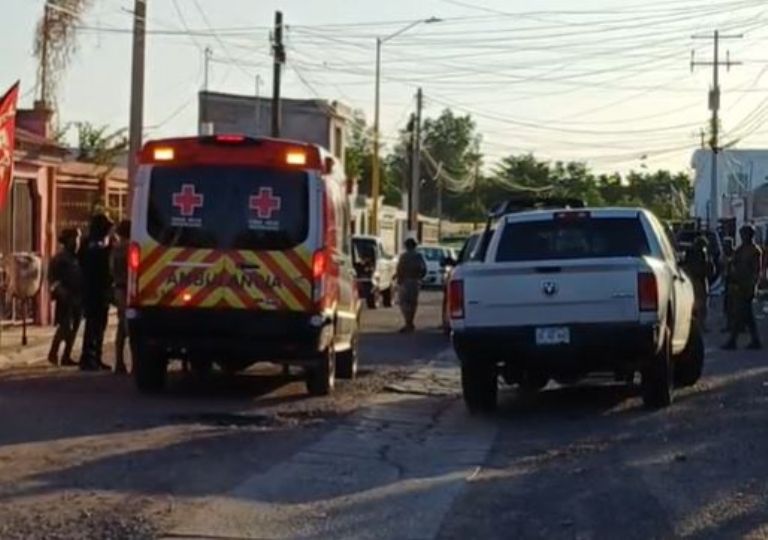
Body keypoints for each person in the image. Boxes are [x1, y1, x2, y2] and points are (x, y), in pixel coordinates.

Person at [79, 213, 115, 371]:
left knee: (100, 326)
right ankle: (88, 358)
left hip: (100, 291)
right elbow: (99, 266)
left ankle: (96, 357)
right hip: (94, 291)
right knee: (93, 326)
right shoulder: (92, 246)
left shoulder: (95, 244)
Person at [723, 225, 763, 350]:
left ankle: (733, 341)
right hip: (738, 284)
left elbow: (756, 270)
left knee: (741, 313)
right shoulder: (741, 249)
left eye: (744, 234)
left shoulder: (754, 251)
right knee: (746, 314)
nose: (742, 236)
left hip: (747, 286)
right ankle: (754, 340)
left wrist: (752, 284)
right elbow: (733, 262)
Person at [47, 228, 83, 367]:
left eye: (78, 239)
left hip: (78, 297)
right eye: (74, 239)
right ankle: (53, 353)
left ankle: (66, 356)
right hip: (65, 297)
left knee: (75, 328)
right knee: (65, 327)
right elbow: (52, 279)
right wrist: (60, 291)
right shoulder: (60, 258)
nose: (76, 242)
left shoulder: (77, 257)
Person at [111, 220, 131, 374]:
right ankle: (135, 363)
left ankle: (119, 361)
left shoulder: (115, 249)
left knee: (121, 328)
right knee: (130, 326)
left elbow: (110, 269)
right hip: (129, 289)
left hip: (118, 288)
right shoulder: (131, 248)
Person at [394, 237, 427, 333]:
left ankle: (408, 322)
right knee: (413, 303)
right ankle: (410, 322)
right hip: (416, 281)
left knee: (404, 302)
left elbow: (399, 269)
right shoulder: (419, 256)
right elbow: (424, 269)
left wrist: (399, 280)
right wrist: (420, 278)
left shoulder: (404, 256)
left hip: (405, 281)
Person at [683, 234, 713, 332]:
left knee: (697, 304)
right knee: (701, 304)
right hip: (698, 280)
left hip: (695, 279)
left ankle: (696, 324)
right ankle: (699, 325)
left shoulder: (692, 253)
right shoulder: (700, 253)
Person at [721, 236, 735, 333]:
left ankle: (734, 325)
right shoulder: (723, 255)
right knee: (727, 305)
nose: (725, 247)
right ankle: (729, 324)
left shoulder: (735, 254)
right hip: (727, 281)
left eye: (727, 245)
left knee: (733, 305)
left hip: (734, 281)